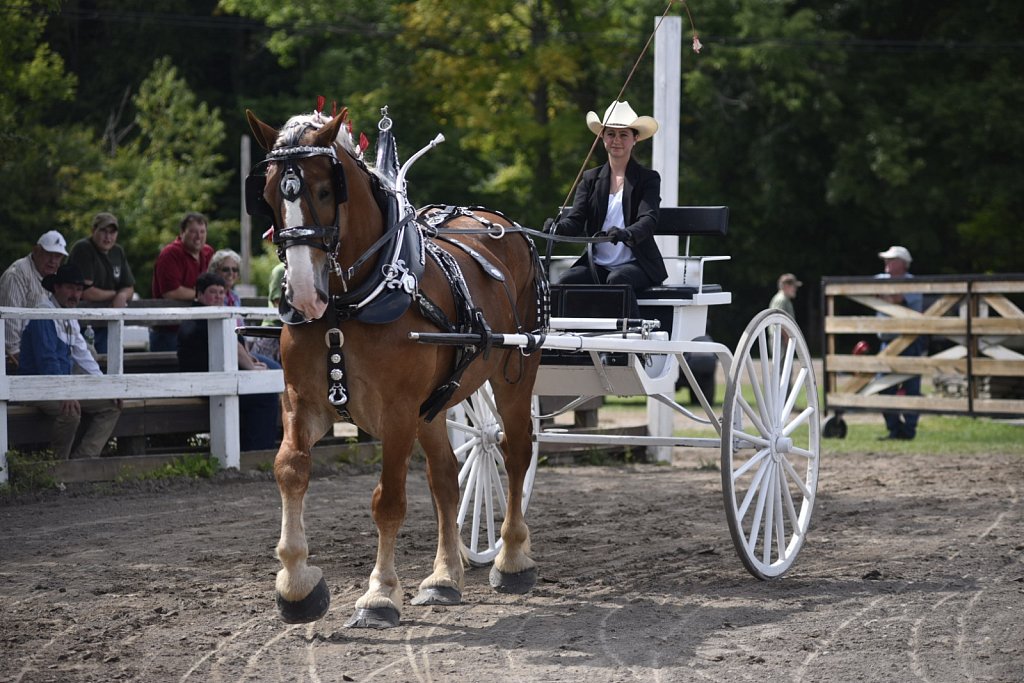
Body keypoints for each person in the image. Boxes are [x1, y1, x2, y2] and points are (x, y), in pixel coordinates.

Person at [547, 100, 667, 318]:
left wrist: (626, 233)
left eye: (623, 135)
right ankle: (567, 345)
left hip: (637, 263)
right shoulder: (590, 179)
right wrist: (556, 227)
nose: (617, 141)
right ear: (602, 137)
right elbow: (576, 220)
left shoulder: (647, 179)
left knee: (618, 279)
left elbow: (648, 219)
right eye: (611, 134)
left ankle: (632, 337)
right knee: (565, 281)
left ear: (635, 139)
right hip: (598, 264)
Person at [18, 264, 121, 459]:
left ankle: (82, 461)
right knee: (70, 412)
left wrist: (107, 387)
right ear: (56, 287)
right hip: (34, 387)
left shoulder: (69, 315)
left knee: (111, 404)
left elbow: (83, 355)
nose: (76, 294)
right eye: (70, 288)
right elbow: (47, 361)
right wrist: (64, 391)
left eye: (79, 289)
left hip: (59, 386)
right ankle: (57, 468)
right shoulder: (43, 314)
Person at [177, 272, 281, 452]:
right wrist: (252, 368)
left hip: (222, 373)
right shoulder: (204, 319)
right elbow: (233, 346)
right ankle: (258, 451)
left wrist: (251, 362)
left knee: (274, 373)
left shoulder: (211, 314)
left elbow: (238, 348)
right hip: (208, 383)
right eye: (212, 292)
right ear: (199, 294)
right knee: (265, 394)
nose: (218, 296)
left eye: (221, 292)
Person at [875, 245, 925, 440]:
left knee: (912, 388)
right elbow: (875, 294)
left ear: (903, 264)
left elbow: (899, 300)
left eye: (891, 260)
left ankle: (908, 431)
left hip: (909, 342)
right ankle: (895, 429)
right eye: (886, 259)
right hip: (886, 342)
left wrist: (885, 296)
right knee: (883, 387)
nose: (887, 263)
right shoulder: (880, 279)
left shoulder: (913, 283)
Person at [67, 212, 136, 353]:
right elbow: (86, 292)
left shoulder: (118, 251)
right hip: (81, 323)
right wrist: (115, 295)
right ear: (93, 230)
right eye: (104, 231)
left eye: (112, 232)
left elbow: (129, 287)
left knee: (112, 365)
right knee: (84, 367)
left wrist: (122, 296)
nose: (108, 237)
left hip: (108, 324)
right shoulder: (83, 248)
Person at [0, 230, 68, 367]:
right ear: (36, 251)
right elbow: (9, 336)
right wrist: (26, 365)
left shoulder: (53, 277)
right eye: (49, 254)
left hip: (44, 353)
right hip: (16, 360)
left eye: (58, 256)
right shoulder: (17, 274)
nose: (53, 261)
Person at [150, 212, 215, 351]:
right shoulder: (170, 254)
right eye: (193, 232)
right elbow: (171, 292)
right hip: (170, 330)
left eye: (202, 231)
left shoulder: (208, 252)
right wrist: (202, 295)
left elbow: (215, 286)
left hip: (200, 327)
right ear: (182, 232)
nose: (199, 236)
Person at [249, 261, 285, 363]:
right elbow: (278, 303)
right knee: (264, 369)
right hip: (273, 328)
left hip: (295, 330)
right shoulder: (281, 270)